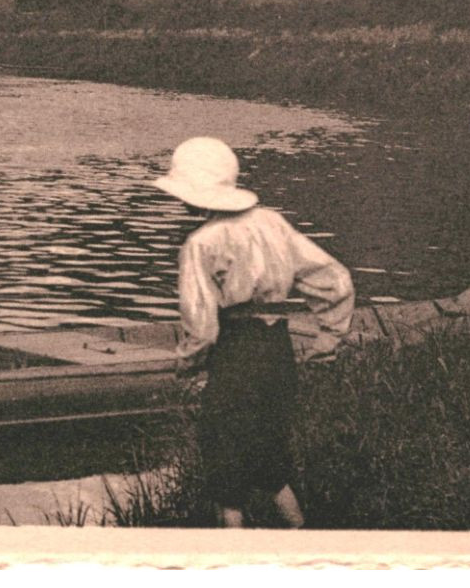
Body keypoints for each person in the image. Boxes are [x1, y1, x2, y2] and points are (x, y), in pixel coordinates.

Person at [152, 136, 355, 529]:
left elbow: (203, 326)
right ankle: (302, 536)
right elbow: (335, 280)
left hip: (236, 353)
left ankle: (235, 555)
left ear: (193, 195)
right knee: (270, 453)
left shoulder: (200, 243)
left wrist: (187, 365)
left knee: (224, 460)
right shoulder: (271, 222)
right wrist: (328, 338)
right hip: (276, 348)